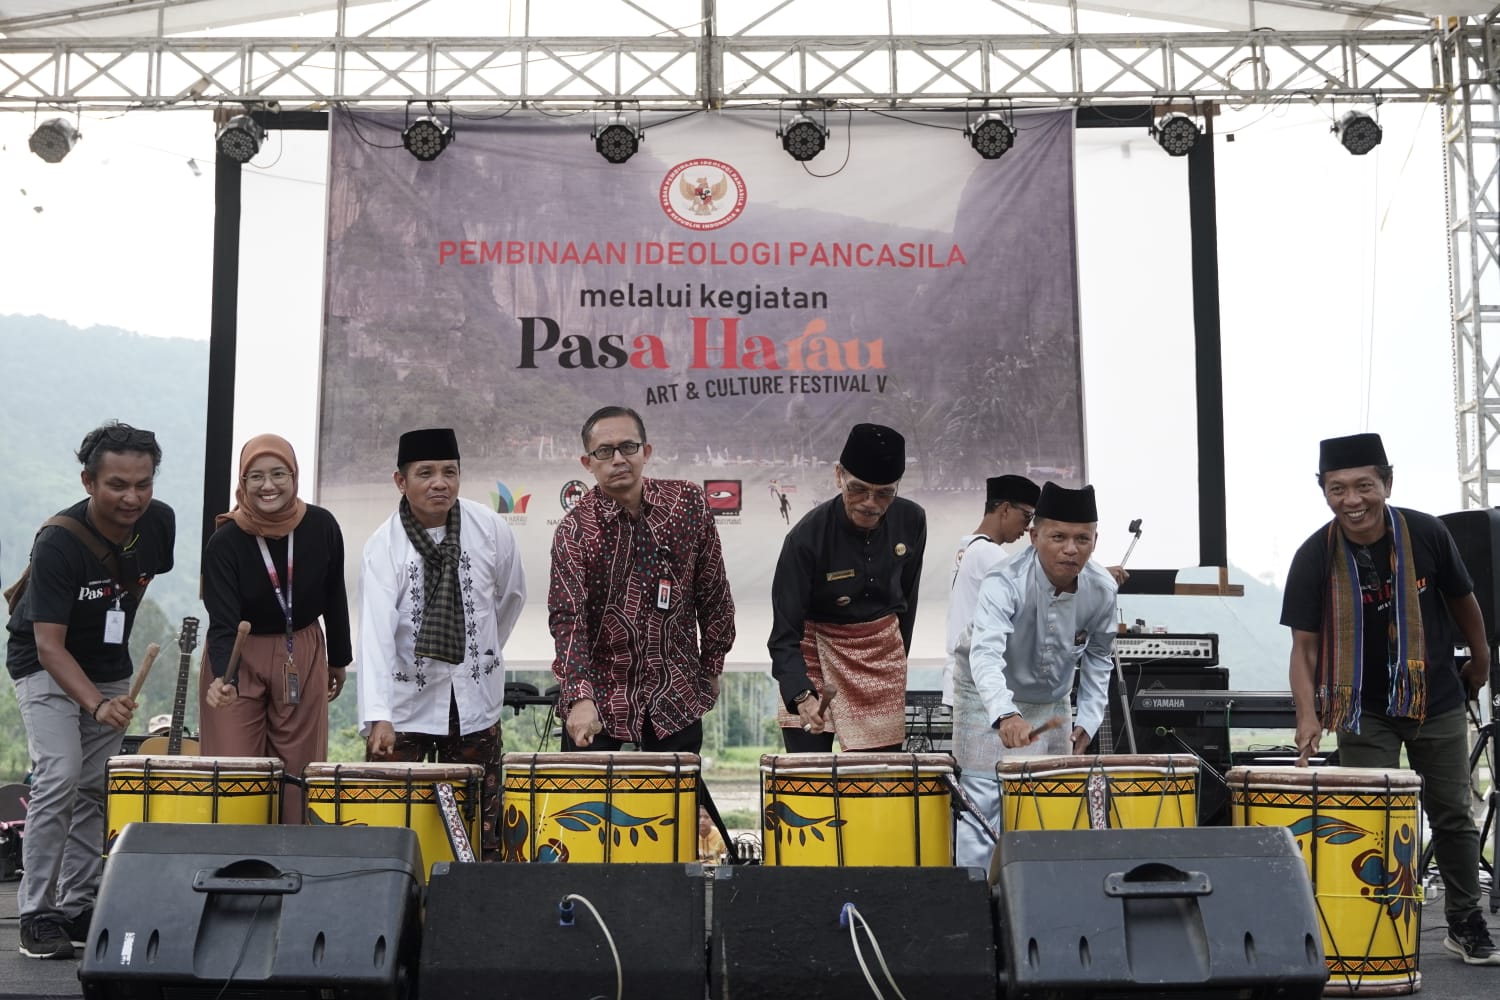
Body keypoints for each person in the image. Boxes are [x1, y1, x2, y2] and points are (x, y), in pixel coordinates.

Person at [1283, 432, 1499, 965]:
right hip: (1362, 708)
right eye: (1337, 489)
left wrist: (1481, 659)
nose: (1351, 500)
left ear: (1387, 483)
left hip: (1435, 697)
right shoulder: (1313, 555)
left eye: (1363, 486)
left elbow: (1464, 600)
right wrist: (1307, 714)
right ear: (1323, 491)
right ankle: (1372, 922)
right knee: (1369, 817)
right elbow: (1304, 648)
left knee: (1452, 814)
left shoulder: (1426, 533)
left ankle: (1465, 922)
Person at [5, 422, 174, 959]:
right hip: (44, 662)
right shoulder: (59, 542)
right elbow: (49, 646)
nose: (132, 498)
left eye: (143, 484)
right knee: (60, 773)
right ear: (88, 482)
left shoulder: (159, 522)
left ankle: (77, 905)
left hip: (108, 666)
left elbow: (135, 585)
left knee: (95, 786)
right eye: (117, 485)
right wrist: (96, 704)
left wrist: (109, 681)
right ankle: (37, 912)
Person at [358, 428, 526, 860]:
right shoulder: (384, 545)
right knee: (388, 815)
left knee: (481, 819)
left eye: (449, 472)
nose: (440, 483)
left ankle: (475, 893)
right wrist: (379, 715)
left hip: (472, 697)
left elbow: (511, 596)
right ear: (401, 481)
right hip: (404, 703)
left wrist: (482, 653)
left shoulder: (489, 527)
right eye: (426, 473)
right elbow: (376, 634)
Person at [549, 405, 735, 753]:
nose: (619, 459)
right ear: (587, 463)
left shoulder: (687, 503)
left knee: (676, 791)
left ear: (646, 451)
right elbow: (568, 620)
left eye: (628, 447)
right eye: (605, 451)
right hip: (600, 698)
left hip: (675, 694)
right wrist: (579, 696)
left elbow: (713, 591)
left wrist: (712, 664)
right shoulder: (574, 531)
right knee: (585, 791)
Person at [953, 482, 1118, 870]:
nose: (1071, 549)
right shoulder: (1004, 580)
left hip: (1052, 700)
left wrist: (1089, 719)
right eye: (1058, 537)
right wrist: (1004, 713)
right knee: (982, 806)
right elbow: (985, 654)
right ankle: (977, 899)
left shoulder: (1103, 589)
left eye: (1082, 539)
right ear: (1034, 536)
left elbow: (1099, 656)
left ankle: (1041, 894)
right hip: (984, 696)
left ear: (1095, 541)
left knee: (1049, 801)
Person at [200, 434, 352, 824]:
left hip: (301, 651)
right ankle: (237, 856)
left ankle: (293, 854)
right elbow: (222, 622)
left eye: (278, 474)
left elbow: (335, 593)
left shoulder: (321, 526)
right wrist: (224, 678)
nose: (268, 485)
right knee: (235, 772)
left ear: (294, 476)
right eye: (256, 477)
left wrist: (338, 659)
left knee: (299, 772)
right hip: (239, 655)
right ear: (243, 482)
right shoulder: (225, 541)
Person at [769, 423, 926, 752]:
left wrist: (896, 662)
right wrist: (801, 694)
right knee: (808, 773)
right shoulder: (805, 538)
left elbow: (907, 604)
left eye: (884, 493)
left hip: (880, 658)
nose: (870, 503)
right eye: (858, 489)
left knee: (879, 775)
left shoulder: (912, 520)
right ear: (839, 475)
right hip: (813, 650)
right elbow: (784, 635)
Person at [940, 475, 1041, 708]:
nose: (1027, 527)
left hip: (960, 677)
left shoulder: (968, 546)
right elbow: (1037, 593)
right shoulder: (988, 553)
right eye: (1027, 516)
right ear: (1005, 509)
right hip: (976, 682)